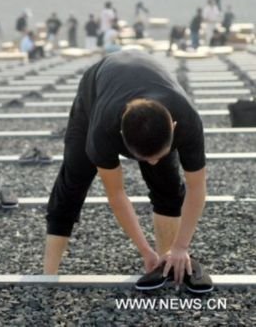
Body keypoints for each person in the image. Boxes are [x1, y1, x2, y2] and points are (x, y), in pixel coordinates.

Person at [44, 50, 212, 293]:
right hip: (97, 88)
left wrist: (180, 248)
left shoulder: (188, 120)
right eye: (146, 159)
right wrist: (144, 250)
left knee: (168, 185)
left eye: (159, 155)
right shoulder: (102, 131)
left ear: (173, 128)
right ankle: (48, 275)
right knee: (74, 179)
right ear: (121, 138)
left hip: (150, 91)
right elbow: (117, 195)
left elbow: (197, 189)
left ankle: (165, 266)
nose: (153, 163)